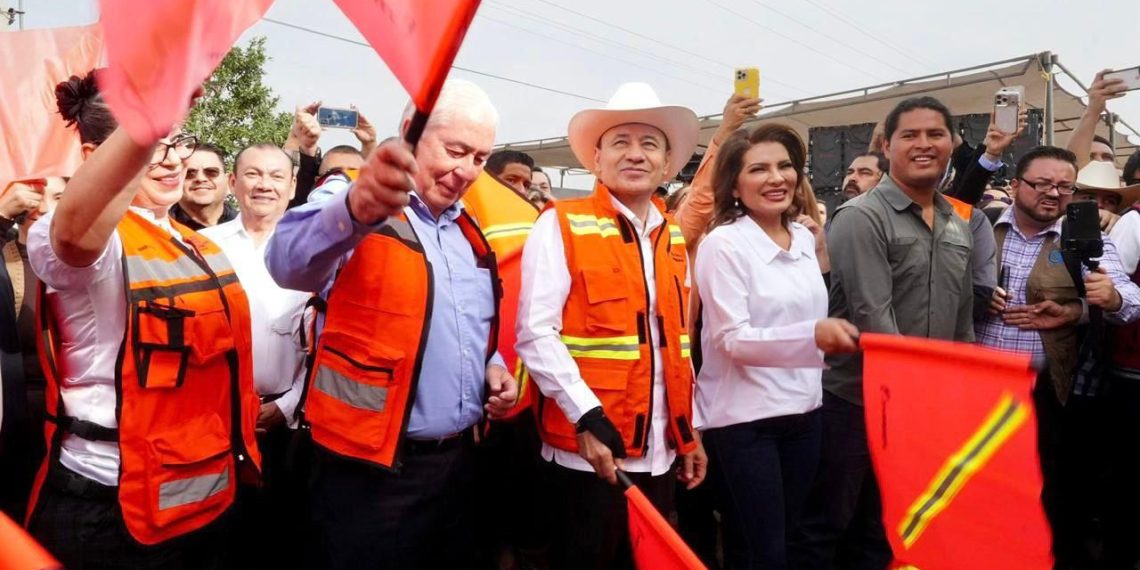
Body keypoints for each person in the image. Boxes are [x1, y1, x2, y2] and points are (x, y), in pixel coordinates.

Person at [265, 78, 517, 570]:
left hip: (459, 467)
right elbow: (285, 261)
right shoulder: (356, 198)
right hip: (369, 474)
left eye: (480, 158)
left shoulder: (469, 232)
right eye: (455, 150)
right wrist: (353, 210)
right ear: (410, 132)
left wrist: (494, 366)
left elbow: (466, 327)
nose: (466, 170)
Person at [26, 71, 261, 569]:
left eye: (175, 139)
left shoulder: (195, 243)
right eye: (149, 144)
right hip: (111, 509)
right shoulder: (81, 238)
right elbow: (72, 238)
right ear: (93, 156)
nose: (171, 158)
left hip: (204, 503)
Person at [516, 82, 708, 569]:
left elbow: (676, 346)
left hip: (661, 456)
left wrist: (690, 432)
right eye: (621, 142)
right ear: (597, 160)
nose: (636, 154)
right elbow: (536, 334)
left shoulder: (673, 237)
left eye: (650, 144)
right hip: (589, 458)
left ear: (667, 163)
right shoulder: (560, 223)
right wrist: (586, 416)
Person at [791, 96, 975, 570]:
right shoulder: (862, 216)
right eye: (909, 135)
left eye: (935, 134)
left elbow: (962, 325)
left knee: (887, 526)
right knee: (827, 525)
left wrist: (958, 397)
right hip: (855, 404)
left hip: (922, 404)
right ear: (887, 145)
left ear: (953, 143)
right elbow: (875, 318)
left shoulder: (958, 224)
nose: (923, 144)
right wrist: (919, 405)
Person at [695, 123, 859, 569]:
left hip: (805, 414)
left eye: (785, 166)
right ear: (733, 185)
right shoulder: (722, 245)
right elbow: (731, 339)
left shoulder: (804, 238)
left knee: (786, 542)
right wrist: (812, 337)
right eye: (758, 169)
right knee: (759, 552)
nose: (777, 178)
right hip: (745, 422)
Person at [977, 145, 1140, 568]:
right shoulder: (982, 225)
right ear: (1016, 185)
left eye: (1065, 187)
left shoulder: (1082, 237)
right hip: (976, 393)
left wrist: (1108, 297)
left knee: (1046, 496)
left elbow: (1130, 300)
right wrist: (976, 297)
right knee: (979, 493)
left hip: (1047, 395)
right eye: (1042, 184)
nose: (1053, 193)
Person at [199, 143, 307, 569]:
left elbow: (325, 341)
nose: (265, 185)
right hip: (216, 424)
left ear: (292, 186)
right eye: (253, 174)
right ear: (232, 182)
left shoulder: (313, 250)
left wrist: (287, 405)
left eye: (277, 176)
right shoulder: (201, 247)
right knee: (220, 545)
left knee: (282, 541)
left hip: (287, 425)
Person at [0, 178, 63, 521]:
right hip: (16, 425)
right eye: (35, 195)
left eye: (58, 197)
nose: (43, 207)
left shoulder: (91, 258)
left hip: (74, 428)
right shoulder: (5, 258)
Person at [283, 101, 377, 208]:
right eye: (333, 173)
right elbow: (285, 178)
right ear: (317, 181)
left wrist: (370, 144)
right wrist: (296, 136)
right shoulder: (299, 216)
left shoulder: (381, 215)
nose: (342, 179)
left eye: (353, 172)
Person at [169, 143, 237, 230]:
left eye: (211, 172)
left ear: (228, 180)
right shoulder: (161, 229)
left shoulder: (249, 227)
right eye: (189, 173)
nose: (200, 178)